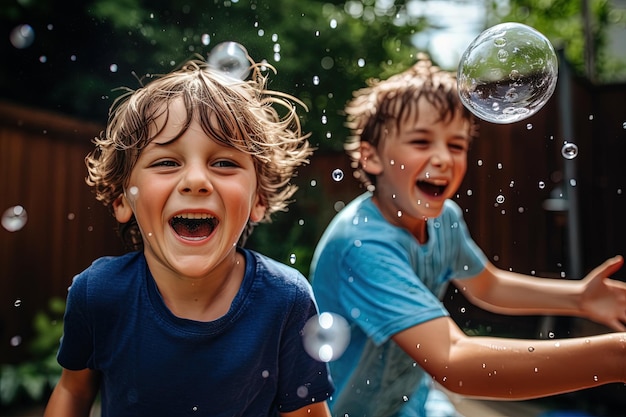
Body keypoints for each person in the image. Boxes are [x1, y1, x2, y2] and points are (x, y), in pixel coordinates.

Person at [309, 55, 626, 417]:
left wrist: (579, 298)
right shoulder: (362, 245)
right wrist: (615, 356)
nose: (444, 158)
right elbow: (452, 361)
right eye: (421, 141)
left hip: (408, 403)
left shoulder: (445, 219)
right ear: (371, 157)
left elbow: (487, 285)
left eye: (456, 145)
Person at [44, 56, 334, 417]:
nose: (196, 180)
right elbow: (73, 391)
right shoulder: (100, 294)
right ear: (122, 200)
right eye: (166, 162)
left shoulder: (285, 301)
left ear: (258, 200)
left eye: (224, 163)